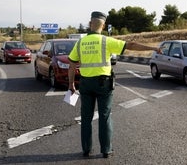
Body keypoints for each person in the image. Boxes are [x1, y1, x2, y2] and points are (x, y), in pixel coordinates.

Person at [68, 11, 161, 158]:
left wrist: (71, 84)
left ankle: (86, 149)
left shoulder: (80, 43)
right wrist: (153, 48)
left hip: (85, 84)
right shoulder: (106, 41)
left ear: (90, 24)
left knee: (86, 118)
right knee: (104, 116)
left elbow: (72, 65)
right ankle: (106, 150)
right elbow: (131, 45)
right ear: (103, 25)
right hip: (103, 84)